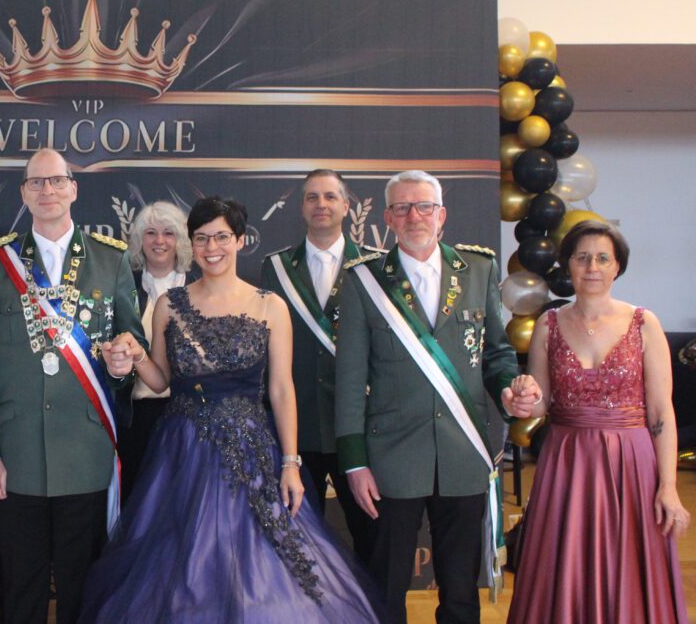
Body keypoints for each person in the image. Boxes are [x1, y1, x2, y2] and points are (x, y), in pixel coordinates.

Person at [81, 197, 384, 623]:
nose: (212, 248)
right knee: (180, 564)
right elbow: (160, 380)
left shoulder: (270, 305)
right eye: (202, 238)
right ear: (191, 244)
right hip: (182, 451)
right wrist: (135, 355)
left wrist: (291, 464)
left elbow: (281, 389)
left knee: (271, 566)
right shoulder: (169, 304)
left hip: (252, 449)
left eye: (222, 237)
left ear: (240, 240)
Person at [334, 170, 538, 624]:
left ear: (441, 215)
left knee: (461, 589)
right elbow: (349, 380)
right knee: (386, 586)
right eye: (402, 207)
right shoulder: (365, 280)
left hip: (462, 452)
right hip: (391, 458)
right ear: (388, 218)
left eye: (424, 206)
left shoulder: (478, 270)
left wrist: (508, 388)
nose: (414, 216)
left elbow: (497, 354)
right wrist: (354, 462)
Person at [0, 148, 145, 624]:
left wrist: (122, 366)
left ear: (73, 189)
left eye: (57, 181)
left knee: (81, 585)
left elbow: (133, 341)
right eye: (36, 182)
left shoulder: (110, 258)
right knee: (20, 585)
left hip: (85, 451)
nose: (47, 190)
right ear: (24, 193)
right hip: (15, 455)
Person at [505, 220, 690, 624]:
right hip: (566, 463)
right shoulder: (548, 325)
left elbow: (661, 413)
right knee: (562, 562)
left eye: (603, 258)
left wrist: (669, 487)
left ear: (617, 266)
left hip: (632, 465)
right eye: (582, 257)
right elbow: (540, 404)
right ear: (568, 264)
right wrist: (522, 399)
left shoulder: (644, 323)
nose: (592, 266)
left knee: (630, 565)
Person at [260, 169, 371, 559]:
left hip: (358, 430)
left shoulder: (374, 266)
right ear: (302, 207)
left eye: (329, 196)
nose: (321, 204)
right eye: (312, 197)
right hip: (298, 427)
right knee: (299, 545)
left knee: (371, 538)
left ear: (347, 205)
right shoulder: (275, 268)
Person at [117, 200, 193, 499]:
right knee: (139, 500)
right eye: (150, 233)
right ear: (139, 240)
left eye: (168, 233)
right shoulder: (123, 289)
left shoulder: (201, 287)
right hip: (138, 418)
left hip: (190, 415)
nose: (159, 241)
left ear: (181, 240)